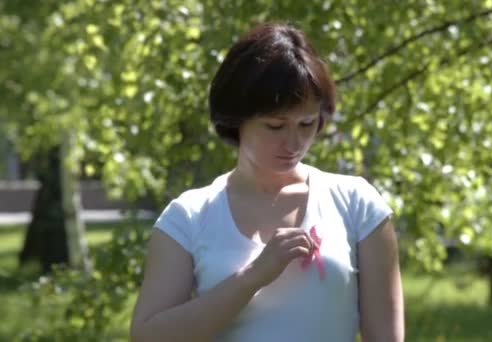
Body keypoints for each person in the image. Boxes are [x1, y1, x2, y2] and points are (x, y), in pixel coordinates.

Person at [131, 22, 404, 342]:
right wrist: (253, 277)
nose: (294, 143)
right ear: (236, 119)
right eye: (275, 126)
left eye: (306, 123)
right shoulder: (190, 216)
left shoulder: (357, 204)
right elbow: (148, 336)